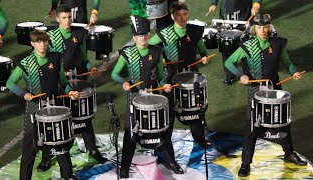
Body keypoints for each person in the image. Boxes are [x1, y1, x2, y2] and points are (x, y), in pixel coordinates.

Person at [224, 14, 307, 177]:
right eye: (259, 27)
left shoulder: (277, 44)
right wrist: (240, 75)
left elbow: (287, 62)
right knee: (251, 127)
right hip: (256, 91)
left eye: (265, 26)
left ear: (269, 27)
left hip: (275, 89)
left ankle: (289, 153)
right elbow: (229, 62)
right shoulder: (247, 46)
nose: (263, 30)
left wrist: (294, 71)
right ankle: (246, 163)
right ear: (254, 29)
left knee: (282, 122)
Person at [37, 4, 107, 172]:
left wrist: (91, 68)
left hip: (76, 79)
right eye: (64, 18)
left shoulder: (79, 33)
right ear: (57, 19)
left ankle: (92, 149)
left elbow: (83, 57)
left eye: (69, 17)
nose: (67, 21)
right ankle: (47, 157)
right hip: (57, 81)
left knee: (83, 116)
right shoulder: (50, 36)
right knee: (53, 119)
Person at [6, 30, 80, 180]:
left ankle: (68, 175)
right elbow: (10, 83)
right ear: (32, 44)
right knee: (30, 147)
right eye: (39, 42)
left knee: (60, 142)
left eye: (45, 41)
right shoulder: (26, 63)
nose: (43, 45)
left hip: (54, 107)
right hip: (34, 109)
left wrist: (70, 92)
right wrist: (24, 94)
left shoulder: (55, 57)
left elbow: (62, 81)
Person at [149, 0, 211, 170]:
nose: (182, 17)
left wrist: (204, 56)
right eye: (178, 15)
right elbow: (149, 47)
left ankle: (199, 139)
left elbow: (202, 49)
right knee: (168, 118)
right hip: (170, 78)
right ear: (172, 16)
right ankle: (169, 157)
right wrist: (159, 58)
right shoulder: (165, 33)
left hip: (191, 77)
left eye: (184, 14)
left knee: (193, 110)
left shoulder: (193, 30)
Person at [111, 15, 173, 178]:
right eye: (139, 35)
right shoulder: (127, 53)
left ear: (149, 35)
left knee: (162, 130)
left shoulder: (157, 51)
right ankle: (125, 167)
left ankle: (170, 161)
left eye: (145, 34)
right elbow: (114, 74)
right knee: (131, 134)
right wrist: (123, 82)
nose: (143, 37)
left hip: (154, 96)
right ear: (134, 37)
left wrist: (165, 84)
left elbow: (161, 75)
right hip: (135, 99)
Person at [208, 0, 262, 85]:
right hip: (226, 19)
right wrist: (214, 3)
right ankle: (230, 74)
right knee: (226, 46)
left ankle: (248, 74)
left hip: (244, 18)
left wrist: (256, 5)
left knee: (246, 48)